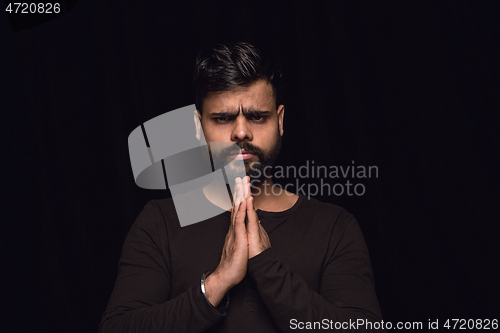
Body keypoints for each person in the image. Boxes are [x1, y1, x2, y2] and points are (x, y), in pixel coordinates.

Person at [99, 42, 384, 332]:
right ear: (199, 127)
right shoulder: (159, 222)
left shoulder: (334, 226)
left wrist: (266, 266)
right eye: (222, 118)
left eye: (257, 116)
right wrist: (217, 282)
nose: (241, 132)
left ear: (280, 121)